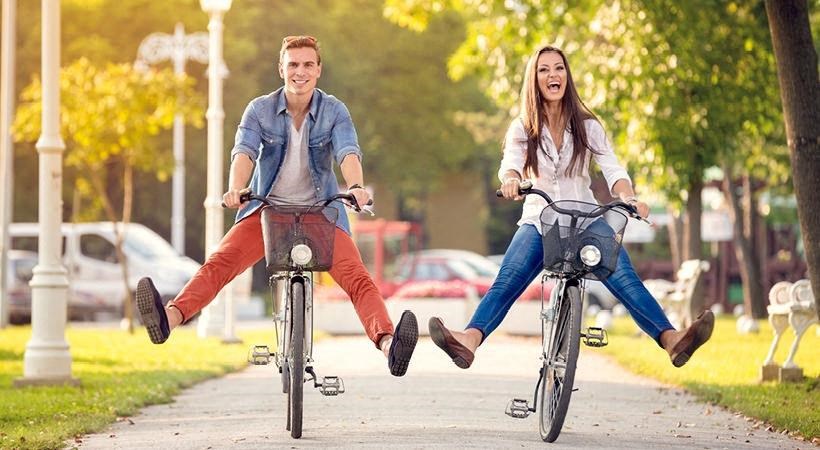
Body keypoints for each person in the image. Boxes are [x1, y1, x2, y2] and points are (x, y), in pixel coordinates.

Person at [136, 35, 418, 377]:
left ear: (319, 70)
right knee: (220, 263)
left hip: (321, 214)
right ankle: (168, 319)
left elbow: (348, 151)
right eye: (293, 64)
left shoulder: (334, 110)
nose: (301, 71)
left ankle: (389, 345)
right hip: (267, 212)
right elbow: (244, 151)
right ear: (281, 69)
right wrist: (235, 189)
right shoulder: (259, 109)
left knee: (358, 279)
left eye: (308, 64)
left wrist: (356, 186)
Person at [428, 45, 713, 369]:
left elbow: (613, 169)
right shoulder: (522, 127)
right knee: (508, 279)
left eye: (559, 68)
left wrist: (629, 198)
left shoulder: (588, 126)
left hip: (586, 219)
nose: (553, 75)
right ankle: (468, 341)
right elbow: (511, 165)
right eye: (544, 69)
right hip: (540, 220)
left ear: (567, 76)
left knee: (625, 278)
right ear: (534, 80)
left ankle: (672, 339)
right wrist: (511, 181)